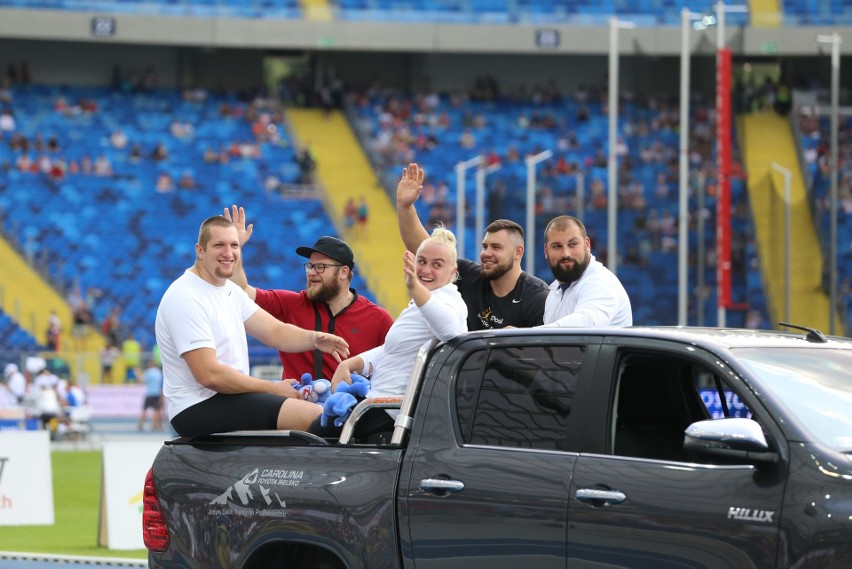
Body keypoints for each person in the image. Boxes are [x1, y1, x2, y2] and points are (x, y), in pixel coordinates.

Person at [154, 214, 350, 438]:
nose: (229, 253)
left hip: (227, 397)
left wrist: (315, 338)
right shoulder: (186, 297)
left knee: (326, 414)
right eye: (219, 245)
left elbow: (275, 331)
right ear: (200, 250)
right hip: (197, 407)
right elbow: (209, 375)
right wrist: (275, 388)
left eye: (234, 245)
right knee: (316, 417)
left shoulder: (228, 289)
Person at [310, 225, 468, 436]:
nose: (426, 270)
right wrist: (353, 363)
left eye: (437, 265)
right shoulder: (424, 302)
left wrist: (415, 288)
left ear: (452, 272)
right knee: (315, 424)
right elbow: (391, 349)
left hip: (391, 412)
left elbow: (449, 331)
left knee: (313, 432)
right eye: (421, 262)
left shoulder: (449, 300)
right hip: (379, 402)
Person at [225, 205, 394, 381]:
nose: (311, 272)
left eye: (320, 267)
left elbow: (399, 364)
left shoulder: (378, 319)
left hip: (350, 406)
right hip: (295, 404)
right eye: (310, 266)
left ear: (344, 272)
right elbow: (241, 291)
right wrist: (234, 249)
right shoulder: (291, 304)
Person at [396, 162, 549, 330]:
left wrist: (518, 341)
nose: (486, 253)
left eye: (496, 247)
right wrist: (405, 207)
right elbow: (424, 248)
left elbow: (546, 351)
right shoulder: (469, 276)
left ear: (518, 252)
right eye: (485, 246)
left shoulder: (537, 296)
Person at [539, 215, 633, 327]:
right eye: (557, 246)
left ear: (587, 245)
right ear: (546, 251)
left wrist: (527, 335)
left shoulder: (601, 282)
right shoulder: (555, 291)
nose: (566, 254)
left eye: (573, 244)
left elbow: (586, 324)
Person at [138, 359, 164, 431]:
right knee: (156, 410)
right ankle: (155, 425)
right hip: (157, 393)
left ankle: (141, 424)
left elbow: (142, 380)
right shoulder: (159, 372)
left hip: (149, 393)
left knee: (144, 410)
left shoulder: (148, 372)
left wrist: (138, 373)